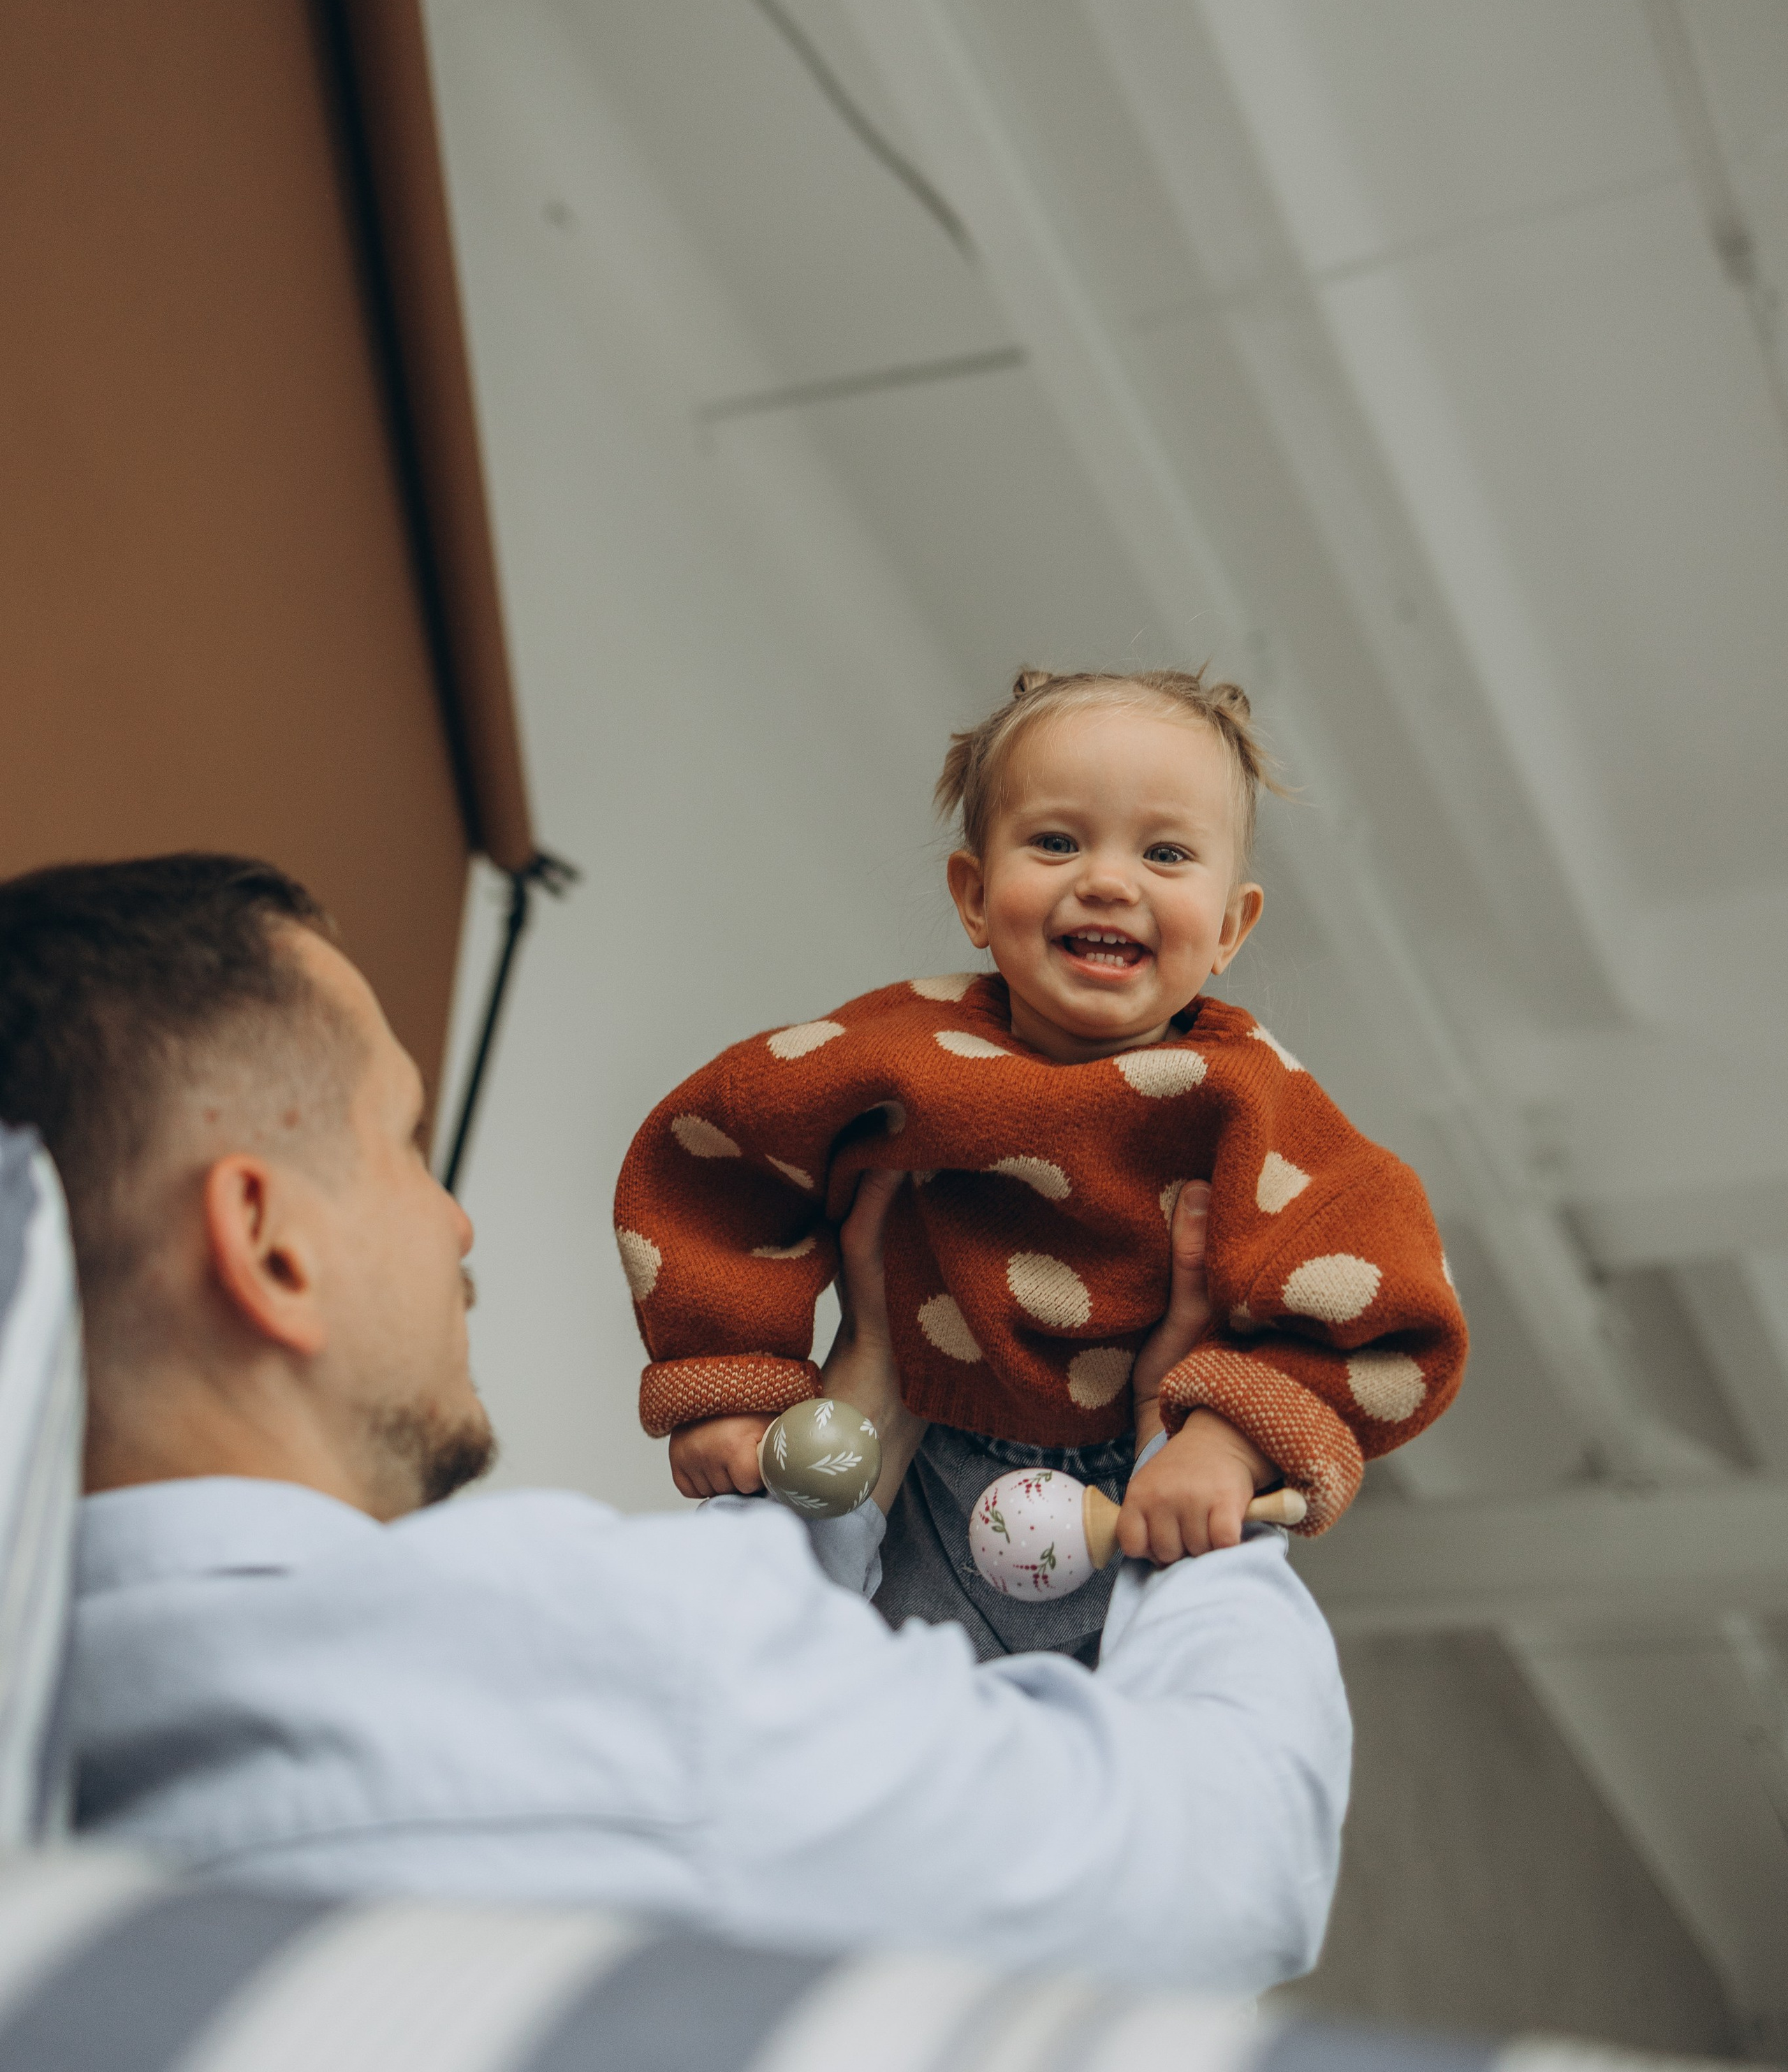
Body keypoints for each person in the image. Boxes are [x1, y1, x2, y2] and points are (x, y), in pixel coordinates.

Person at [0, 852, 1349, 1992]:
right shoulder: (601, 1667)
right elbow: (1230, 1854)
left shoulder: (72, 1736)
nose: (457, 1221)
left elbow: (728, 1666)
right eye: (403, 1146)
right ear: (268, 1241)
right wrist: (1193, 1483)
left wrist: (857, 1419)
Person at [617, 667, 1466, 1662]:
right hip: (914, 1469)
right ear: (975, 897)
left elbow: (1389, 1298)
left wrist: (1223, 1442)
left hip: (1146, 1499)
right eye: (1057, 841)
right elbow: (714, 1159)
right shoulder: (897, 1052)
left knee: (1109, 1764)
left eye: (1165, 852)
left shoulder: (1249, 1098)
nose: (1109, 880)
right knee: (815, 1703)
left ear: (1231, 928)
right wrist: (731, 1387)